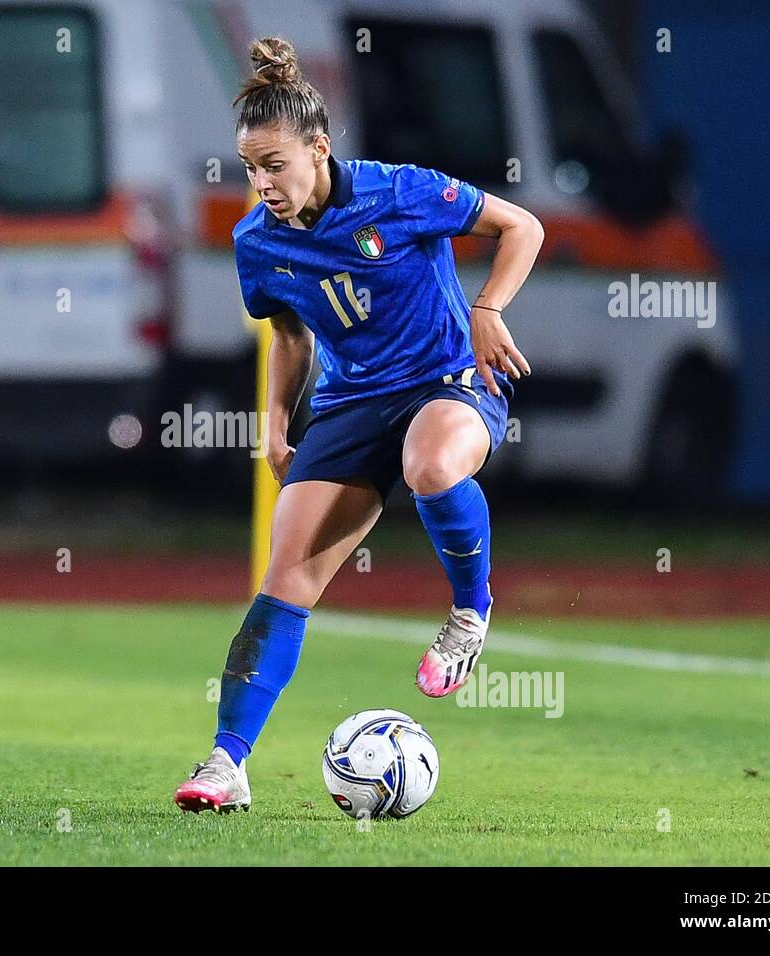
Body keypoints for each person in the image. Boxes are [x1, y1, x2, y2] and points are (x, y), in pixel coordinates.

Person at [175, 36, 544, 814]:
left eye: (275, 164)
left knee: (432, 465)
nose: (262, 184)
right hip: (350, 404)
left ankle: (469, 612)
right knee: (286, 576)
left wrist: (488, 310)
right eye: (249, 168)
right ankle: (225, 764)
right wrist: (276, 424)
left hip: (447, 380)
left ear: (319, 148)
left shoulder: (400, 191)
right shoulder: (257, 242)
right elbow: (289, 336)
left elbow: (524, 228)